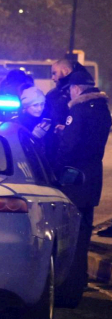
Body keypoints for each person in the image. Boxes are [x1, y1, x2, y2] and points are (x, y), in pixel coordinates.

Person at [54, 69, 111, 307]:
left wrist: (61, 136)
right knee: (83, 236)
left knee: (70, 238)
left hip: (74, 180)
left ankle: (66, 289)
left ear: (76, 89)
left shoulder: (78, 110)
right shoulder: (103, 109)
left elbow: (69, 147)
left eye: (70, 90)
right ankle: (78, 284)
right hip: (92, 180)